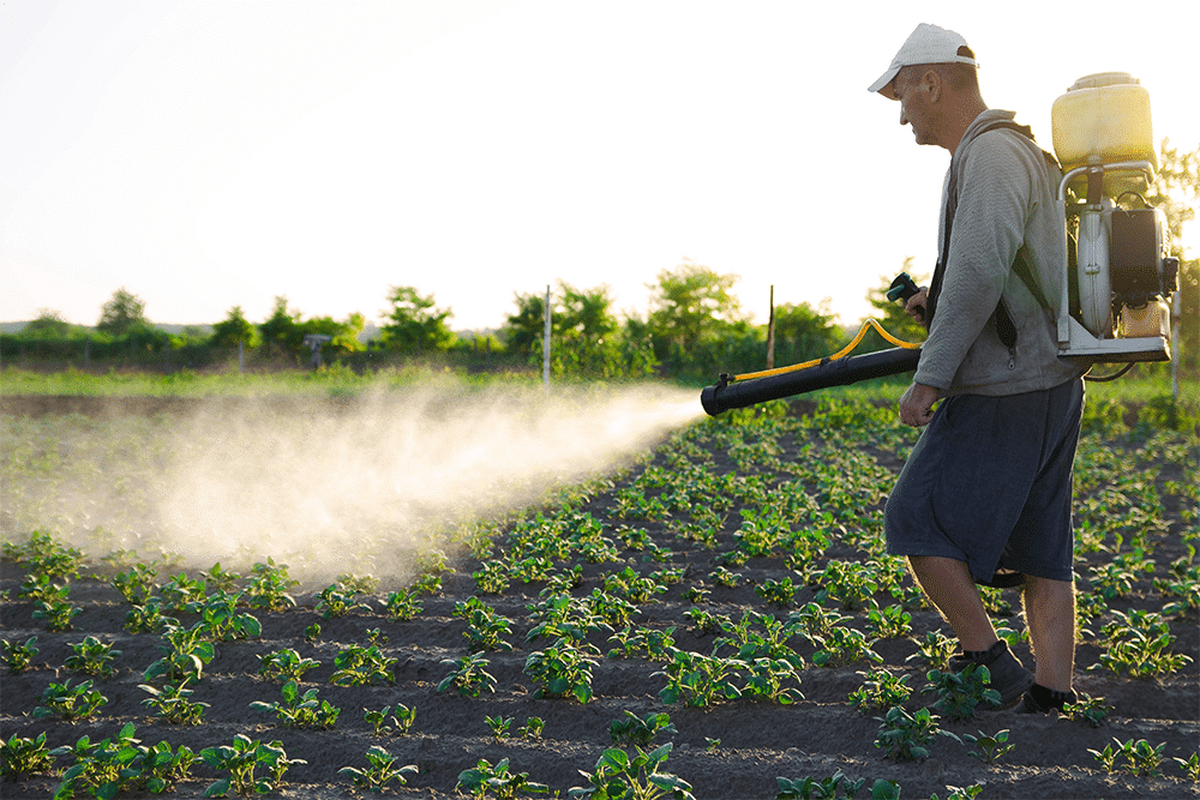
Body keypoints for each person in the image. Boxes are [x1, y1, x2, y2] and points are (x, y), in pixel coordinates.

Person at [868, 23, 1088, 713]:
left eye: (903, 96)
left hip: (1005, 387)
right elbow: (1003, 271)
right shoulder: (1016, 150)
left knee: (913, 518)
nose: (901, 115)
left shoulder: (990, 154)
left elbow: (978, 273)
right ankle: (1052, 694)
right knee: (1042, 544)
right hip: (1050, 381)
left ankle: (987, 660)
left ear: (932, 83)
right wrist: (935, 303)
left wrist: (930, 376)